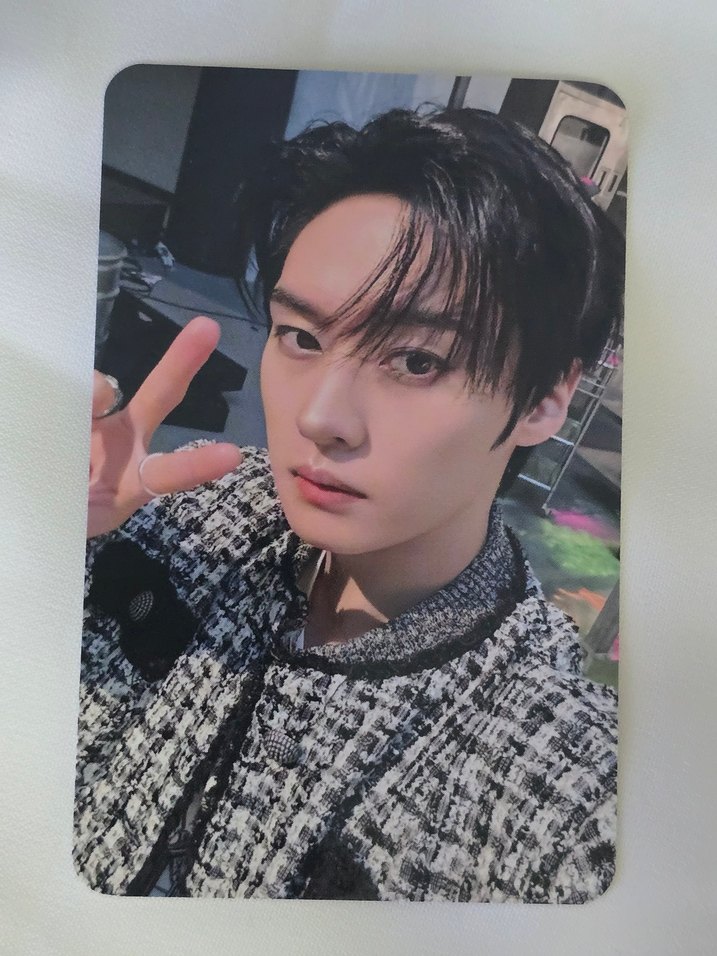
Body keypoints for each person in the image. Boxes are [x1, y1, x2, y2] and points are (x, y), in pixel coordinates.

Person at [76, 107, 623, 901]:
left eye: (416, 360)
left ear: (545, 397)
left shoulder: (552, 775)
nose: (319, 417)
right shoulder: (174, 514)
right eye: (301, 337)